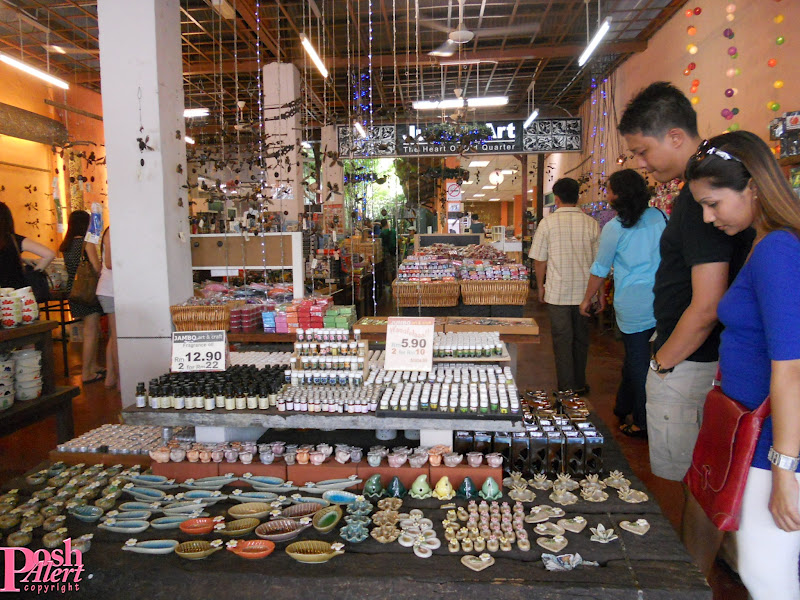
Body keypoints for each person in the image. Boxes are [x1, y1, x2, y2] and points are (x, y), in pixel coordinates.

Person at [618, 81, 754, 576]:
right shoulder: (696, 193)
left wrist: (662, 363)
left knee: (699, 479)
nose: (641, 164)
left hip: (693, 360)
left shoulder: (700, 198)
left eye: (643, 151)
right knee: (705, 476)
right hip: (697, 356)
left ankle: (693, 576)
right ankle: (713, 565)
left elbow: (706, 304)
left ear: (675, 136)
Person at [684, 130, 800, 600]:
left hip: (769, 439)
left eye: (713, 203)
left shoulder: (777, 250)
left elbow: (790, 368)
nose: (709, 217)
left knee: (766, 574)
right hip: (758, 434)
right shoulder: (766, 243)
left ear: (752, 186)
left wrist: (784, 470)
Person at [579, 169, 667, 437]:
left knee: (638, 361)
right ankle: (623, 405)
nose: (607, 195)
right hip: (662, 296)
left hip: (633, 301)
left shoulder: (615, 228)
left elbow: (600, 267)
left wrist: (588, 298)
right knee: (637, 356)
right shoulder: (660, 217)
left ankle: (642, 421)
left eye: (609, 191)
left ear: (618, 195)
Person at [530, 177, 600, 393]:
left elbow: (540, 260)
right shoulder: (591, 223)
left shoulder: (547, 223)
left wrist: (540, 286)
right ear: (577, 197)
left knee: (562, 340)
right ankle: (579, 384)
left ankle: (566, 388)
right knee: (581, 340)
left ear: (557, 199)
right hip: (585, 294)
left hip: (557, 293)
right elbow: (599, 264)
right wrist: (599, 294)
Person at [59, 210, 105, 384]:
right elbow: (97, 268)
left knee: (89, 330)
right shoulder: (87, 244)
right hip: (88, 291)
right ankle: (87, 372)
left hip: (74, 290)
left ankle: (93, 366)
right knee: (91, 331)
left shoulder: (66, 245)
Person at [0, 202, 54, 289]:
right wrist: (34, 274)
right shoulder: (15, 240)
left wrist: (22, 259)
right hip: (16, 292)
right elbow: (49, 254)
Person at [95, 228, 118, 390]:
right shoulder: (112, 231)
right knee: (117, 336)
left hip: (112, 289)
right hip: (110, 290)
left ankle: (111, 376)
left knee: (114, 335)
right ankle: (120, 379)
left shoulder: (114, 230)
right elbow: (109, 263)